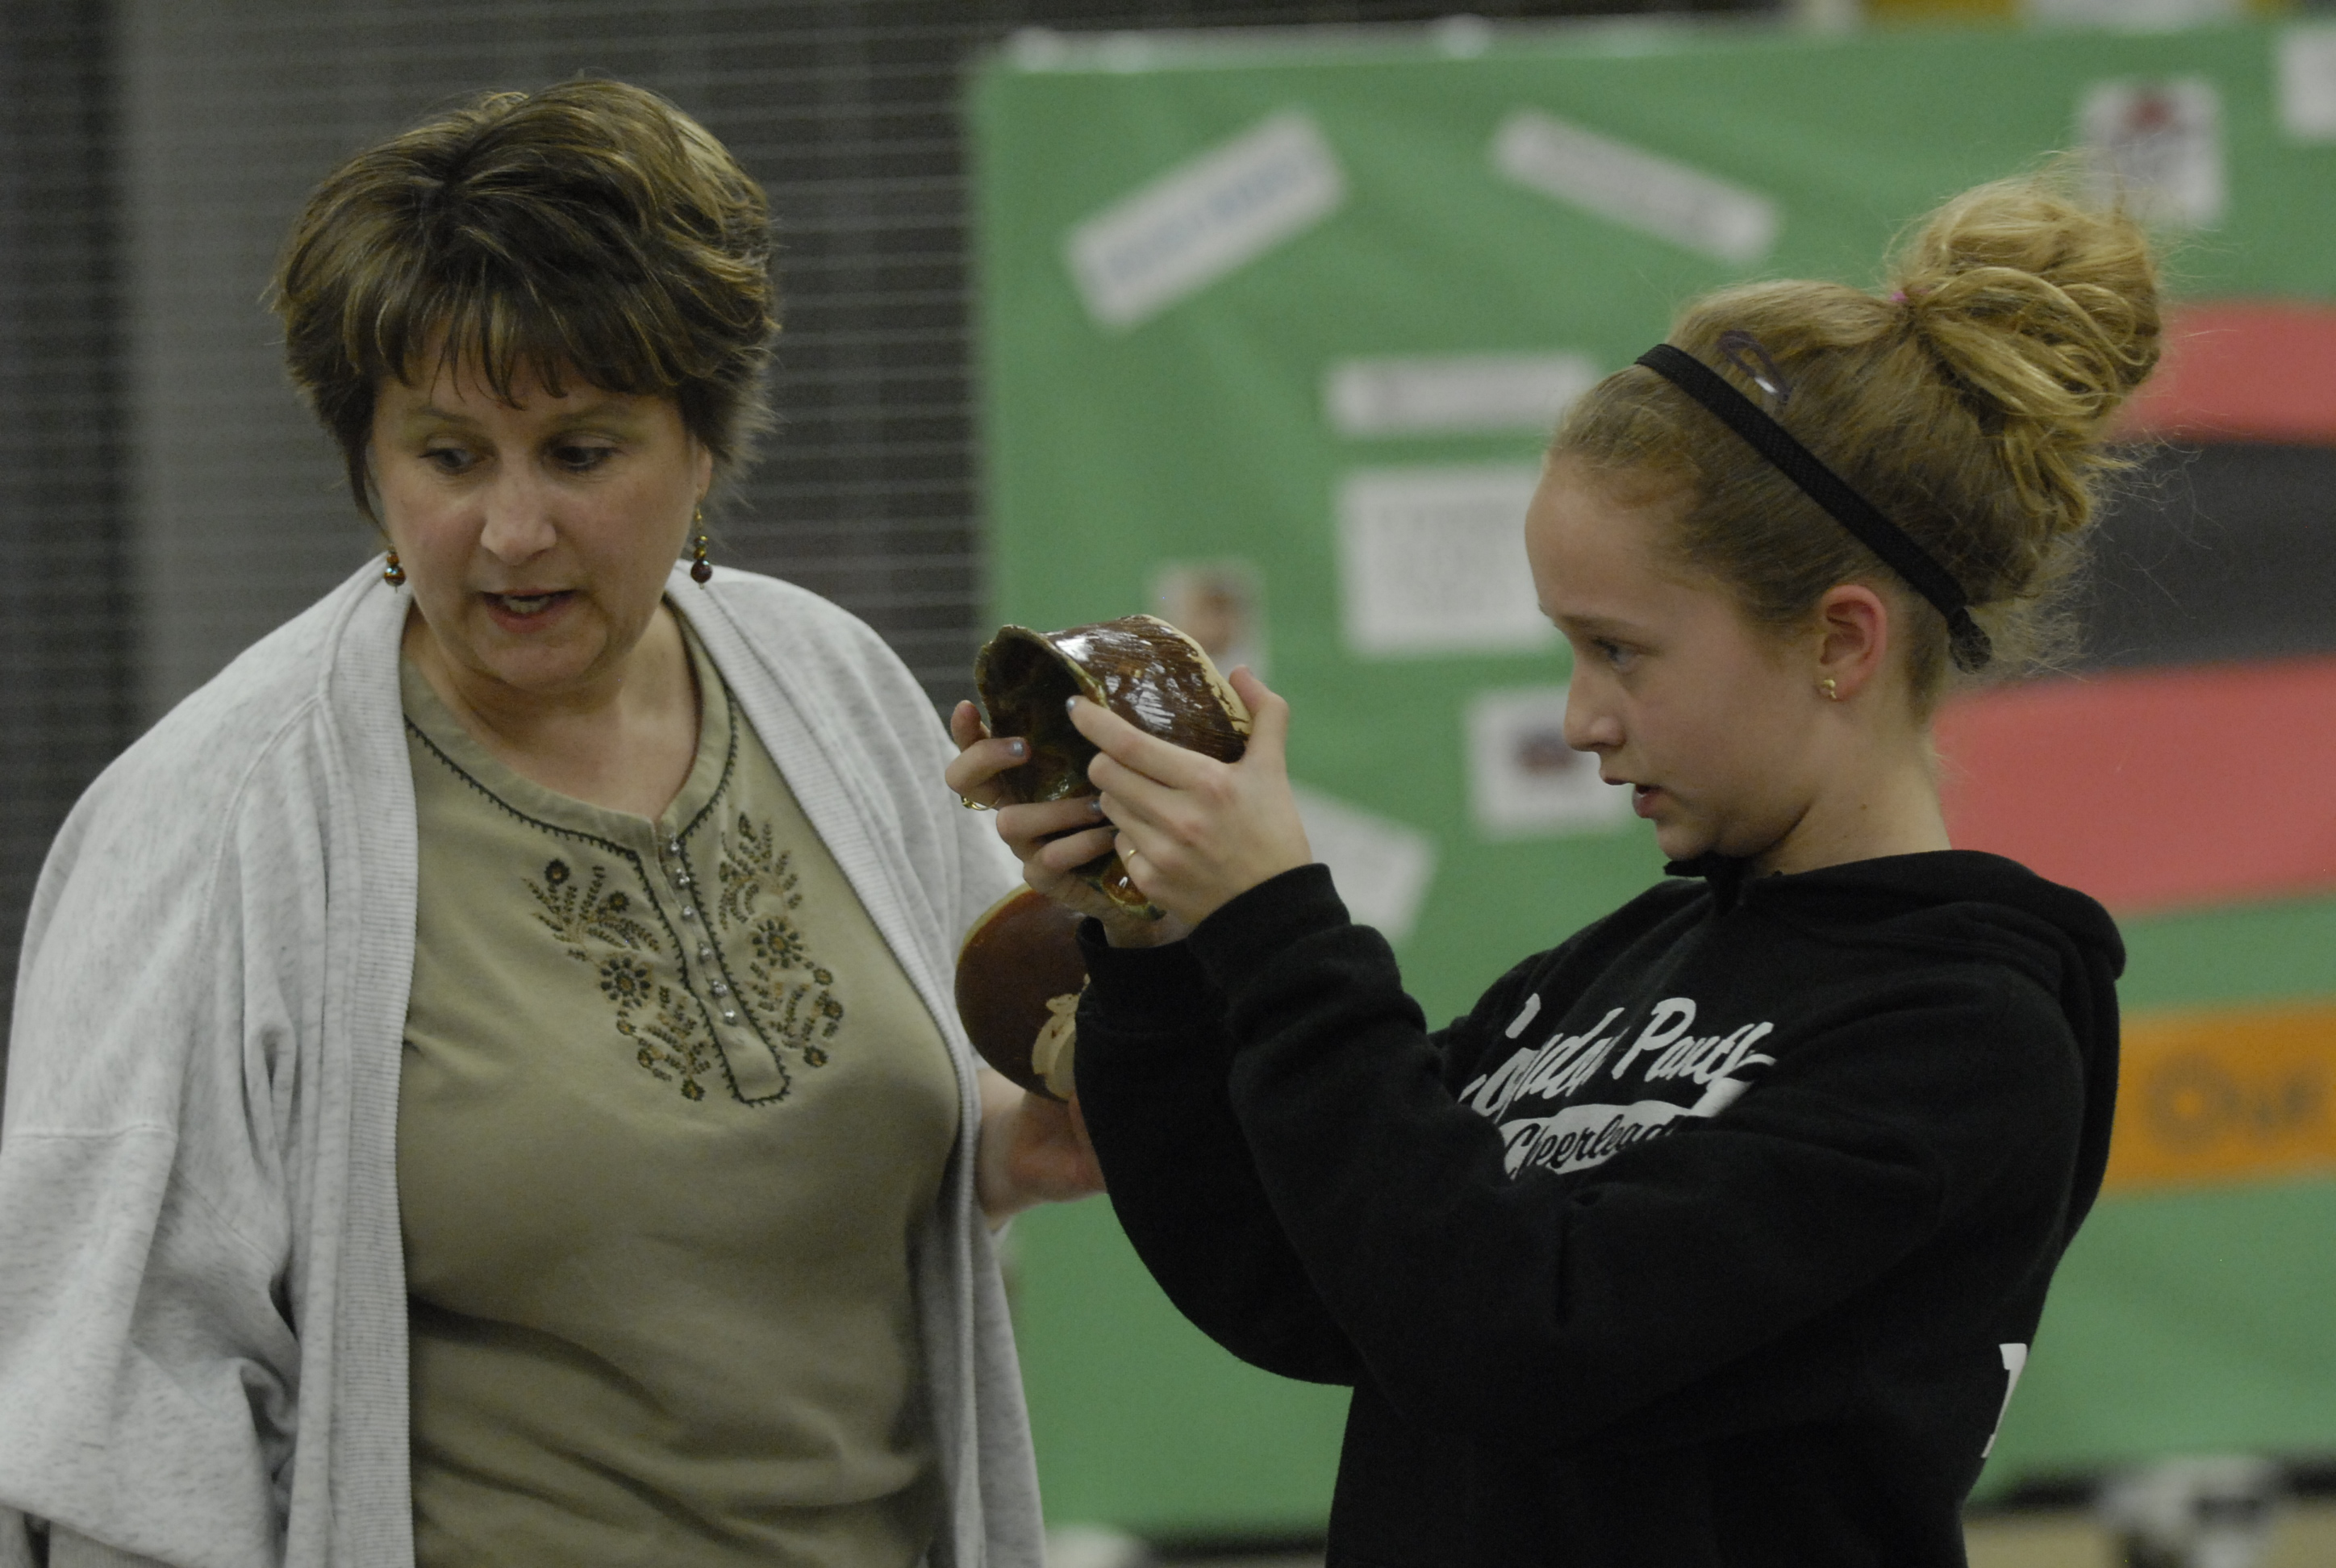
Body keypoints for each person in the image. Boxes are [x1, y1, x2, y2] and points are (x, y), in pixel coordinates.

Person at [949, 170, 2156, 1566]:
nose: (1581, 718)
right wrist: (1154, 943)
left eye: (1619, 651)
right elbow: (1303, 1280)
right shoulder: (1600, 978)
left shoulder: (1965, 1039)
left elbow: (1515, 1338)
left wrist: (1278, 926)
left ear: (1839, 642)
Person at [0, 79, 1098, 1568]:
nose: (513, 532)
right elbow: (123, 1419)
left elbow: (907, 1111)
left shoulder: (826, 686)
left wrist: (1024, 1143)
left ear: (701, 451)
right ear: (368, 463)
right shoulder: (216, 815)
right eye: (450, 457)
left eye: (582, 453)